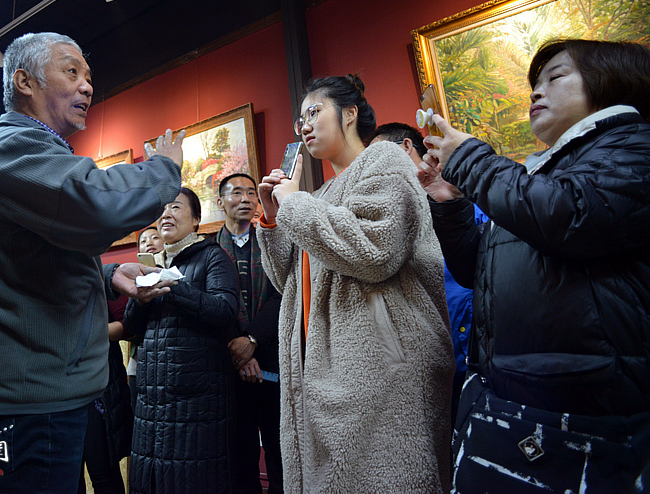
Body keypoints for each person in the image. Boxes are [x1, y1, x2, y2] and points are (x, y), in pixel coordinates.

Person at [0, 32, 184, 493]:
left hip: (35, 396)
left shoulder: (34, 153)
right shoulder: (11, 150)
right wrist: (165, 167)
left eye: (89, 77)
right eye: (71, 72)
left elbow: (30, 260)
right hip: (26, 401)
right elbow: (94, 204)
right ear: (24, 82)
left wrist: (109, 274)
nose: (87, 86)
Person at [419, 39, 650, 492]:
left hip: (588, 420)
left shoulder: (634, 145)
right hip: (512, 407)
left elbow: (571, 216)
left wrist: (468, 157)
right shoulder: (542, 172)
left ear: (611, 80)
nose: (536, 92)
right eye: (534, 84)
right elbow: (477, 271)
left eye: (554, 77)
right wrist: (450, 205)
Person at [257, 75, 454, 493]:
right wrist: (274, 218)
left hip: (381, 370)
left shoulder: (385, 159)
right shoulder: (323, 191)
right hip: (326, 369)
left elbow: (375, 251)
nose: (304, 125)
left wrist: (295, 203)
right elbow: (287, 285)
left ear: (349, 114)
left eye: (314, 112)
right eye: (300, 120)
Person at [124, 187, 241, 494]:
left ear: (196, 220)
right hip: (151, 398)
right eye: (162, 209)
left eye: (175, 207)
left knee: (192, 479)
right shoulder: (149, 264)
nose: (166, 214)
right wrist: (140, 298)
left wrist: (173, 285)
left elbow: (225, 312)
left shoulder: (213, 256)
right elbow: (130, 327)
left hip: (197, 400)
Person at [372, 123, 488, 423]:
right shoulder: (390, 211)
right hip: (426, 363)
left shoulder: (456, 192)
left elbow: (480, 269)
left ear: (407, 146)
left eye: (377, 155)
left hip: (478, 357)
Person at [215, 173, 283, 494]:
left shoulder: (271, 241)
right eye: (236, 193)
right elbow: (212, 305)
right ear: (220, 203)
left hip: (272, 360)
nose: (245, 199)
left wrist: (251, 341)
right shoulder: (208, 251)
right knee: (240, 455)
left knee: (279, 447)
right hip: (228, 367)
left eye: (251, 193)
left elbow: (283, 294)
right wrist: (237, 350)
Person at [78, 297, 133, 494]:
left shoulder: (103, 277)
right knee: (66, 478)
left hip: (96, 391)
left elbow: (127, 325)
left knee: (103, 474)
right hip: (54, 391)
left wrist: (89, 333)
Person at [126, 227, 166, 410]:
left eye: (155, 237)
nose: (149, 242)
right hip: (140, 359)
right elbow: (130, 324)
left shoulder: (176, 271)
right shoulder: (133, 279)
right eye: (143, 241)